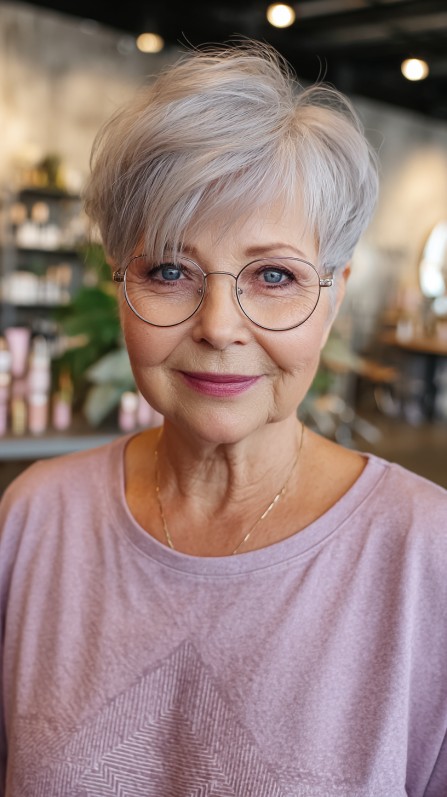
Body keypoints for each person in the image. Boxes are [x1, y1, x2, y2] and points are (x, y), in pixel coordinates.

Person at [0, 39, 446, 797]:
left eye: (274, 275)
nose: (218, 325)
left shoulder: (423, 557)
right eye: (169, 270)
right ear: (120, 286)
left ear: (331, 297)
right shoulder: (34, 520)